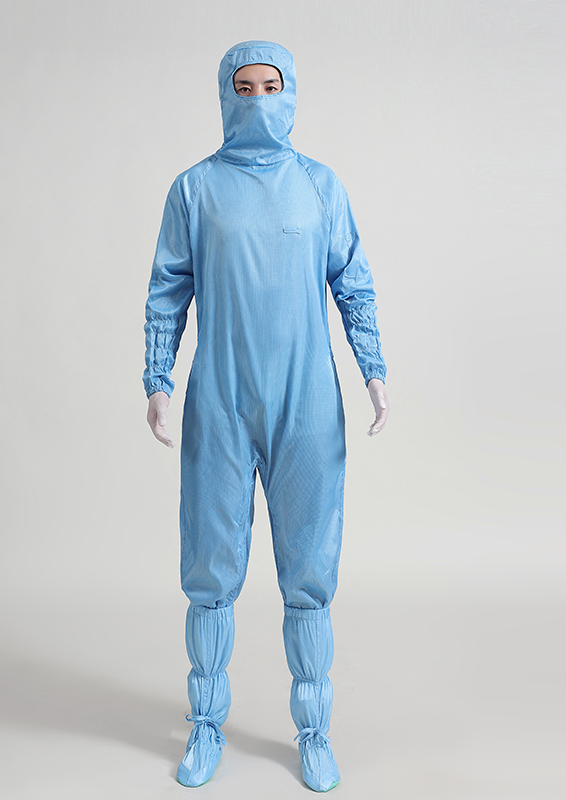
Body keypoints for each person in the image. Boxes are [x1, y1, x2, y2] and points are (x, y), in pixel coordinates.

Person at [143, 40, 388, 792]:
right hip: (219, 398)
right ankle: (205, 726)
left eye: (270, 86)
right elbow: (168, 288)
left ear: (291, 94)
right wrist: (157, 378)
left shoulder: (319, 186)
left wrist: (374, 370)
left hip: (306, 403)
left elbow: (353, 283)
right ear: (225, 94)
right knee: (210, 571)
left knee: (309, 573)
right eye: (243, 87)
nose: (257, 99)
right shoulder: (195, 189)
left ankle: (314, 732)